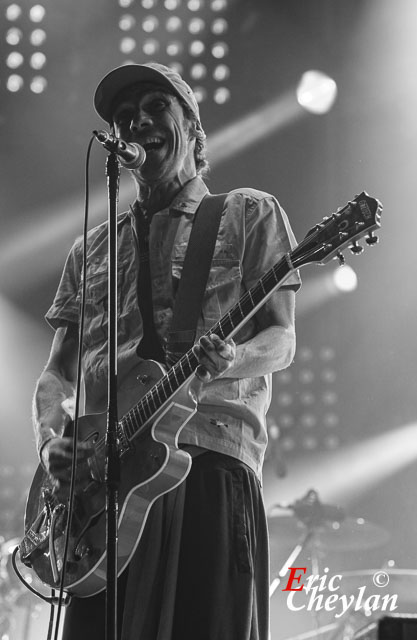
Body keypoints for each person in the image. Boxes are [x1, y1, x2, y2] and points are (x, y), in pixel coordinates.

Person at [32, 62, 301, 640]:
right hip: (99, 491)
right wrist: (52, 438)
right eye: (126, 116)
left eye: (158, 108)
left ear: (195, 133)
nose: (138, 122)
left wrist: (233, 360)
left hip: (206, 460)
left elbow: (281, 339)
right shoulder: (91, 248)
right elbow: (56, 373)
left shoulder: (248, 214)